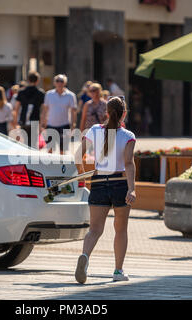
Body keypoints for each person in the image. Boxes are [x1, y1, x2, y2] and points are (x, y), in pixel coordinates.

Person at [74, 96, 136, 284]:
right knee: (120, 229)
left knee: (94, 230)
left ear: (106, 113)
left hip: (98, 181)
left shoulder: (94, 130)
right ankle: (118, 271)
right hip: (120, 183)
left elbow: (78, 155)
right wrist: (132, 189)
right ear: (124, 113)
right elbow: (128, 163)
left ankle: (85, 255)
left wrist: (82, 176)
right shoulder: (128, 136)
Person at [41, 74, 77, 154]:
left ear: (65, 83)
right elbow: (45, 110)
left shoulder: (71, 95)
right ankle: (49, 166)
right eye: (57, 81)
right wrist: (42, 124)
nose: (59, 83)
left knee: (62, 149)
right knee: (50, 148)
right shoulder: (49, 94)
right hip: (51, 124)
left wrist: (73, 125)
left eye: (62, 81)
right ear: (54, 83)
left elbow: (73, 111)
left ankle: (61, 166)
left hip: (64, 125)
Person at [14, 72, 46, 147]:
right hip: (35, 121)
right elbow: (43, 110)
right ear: (37, 80)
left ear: (28, 80)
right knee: (33, 145)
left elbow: (16, 108)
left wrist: (16, 123)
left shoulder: (21, 92)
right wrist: (42, 124)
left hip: (23, 121)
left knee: (23, 145)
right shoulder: (40, 93)